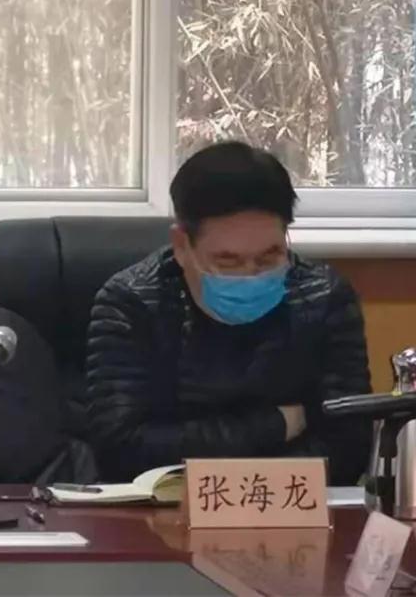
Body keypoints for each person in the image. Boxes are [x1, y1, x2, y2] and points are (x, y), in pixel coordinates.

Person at [85, 141, 372, 484]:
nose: (252, 274)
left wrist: (249, 488)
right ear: (181, 246)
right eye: (228, 261)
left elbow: (350, 445)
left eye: (269, 256)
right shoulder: (131, 303)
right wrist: (277, 424)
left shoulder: (324, 296)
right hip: (164, 510)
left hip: (292, 503)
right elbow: (120, 451)